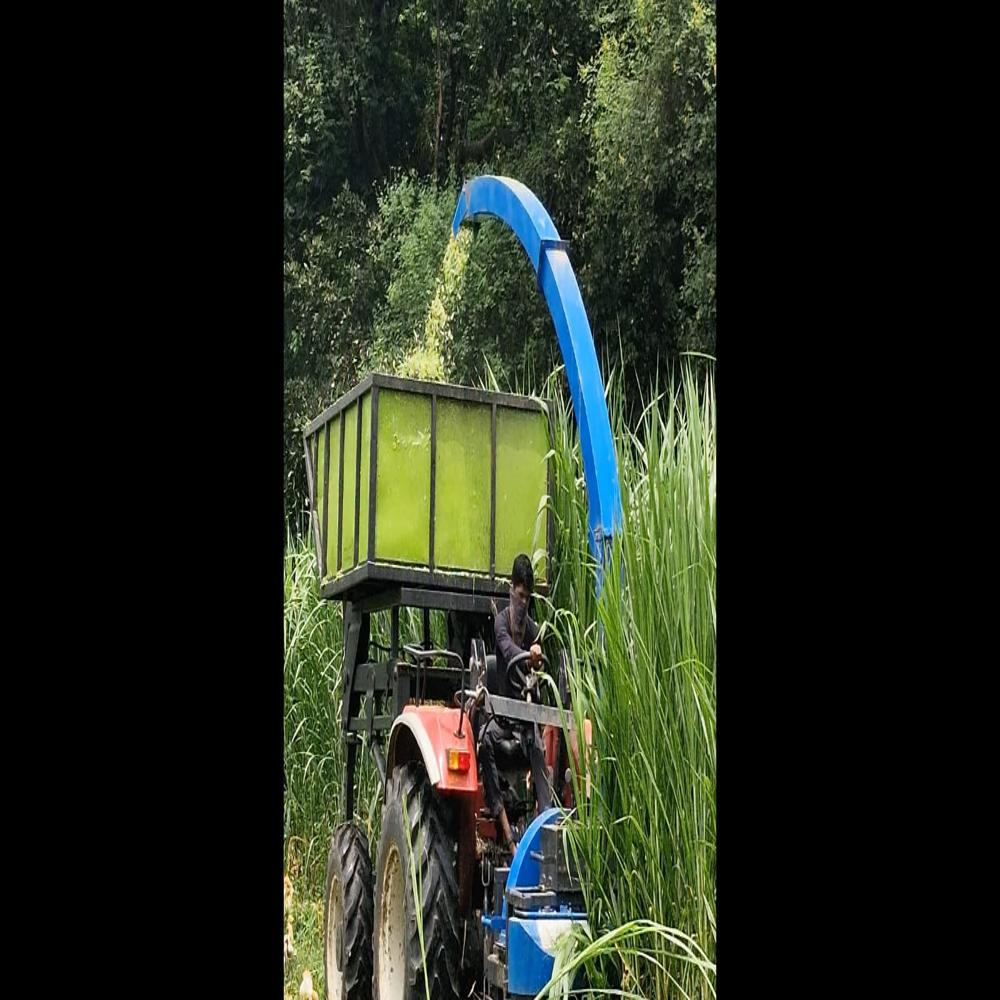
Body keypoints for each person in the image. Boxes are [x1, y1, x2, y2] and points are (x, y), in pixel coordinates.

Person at [479, 553, 554, 847]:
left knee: (537, 744)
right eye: (520, 595)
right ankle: (502, 820)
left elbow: (540, 660)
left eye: (528, 597)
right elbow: (507, 650)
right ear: (512, 589)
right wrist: (527, 658)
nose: (523, 602)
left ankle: (546, 817)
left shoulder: (533, 629)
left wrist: (537, 659)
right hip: (502, 717)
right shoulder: (501, 622)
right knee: (485, 741)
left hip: (523, 721)